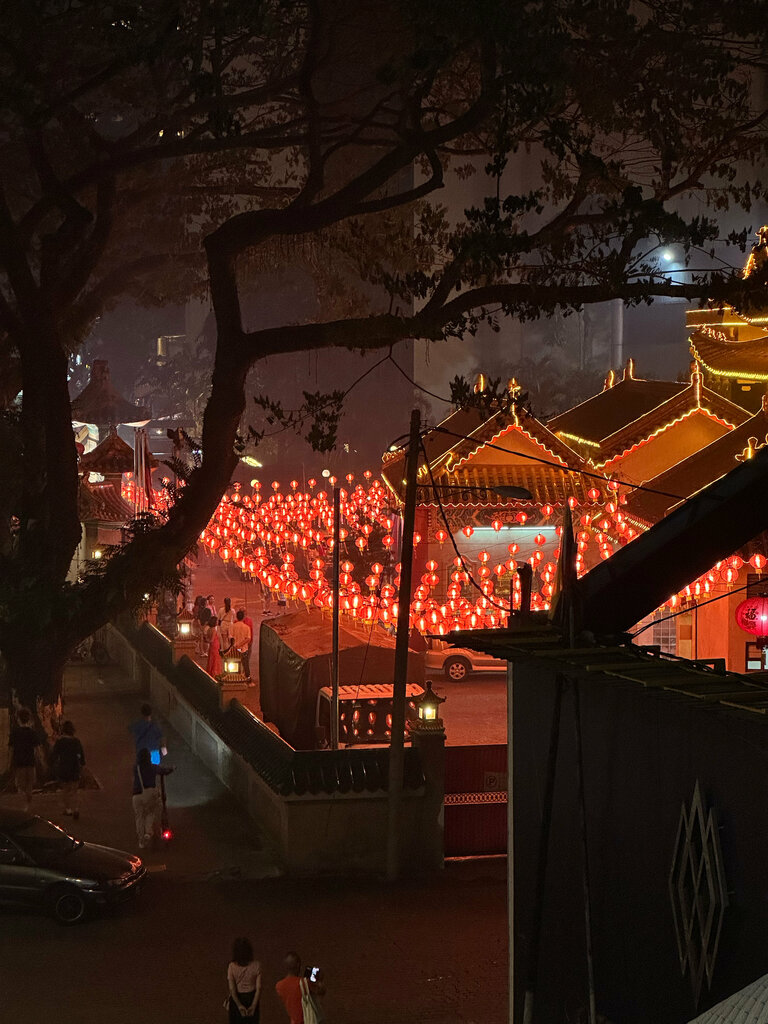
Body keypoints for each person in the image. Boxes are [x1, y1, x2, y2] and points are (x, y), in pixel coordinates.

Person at [132, 747, 174, 848]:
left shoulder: (135, 768)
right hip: (149, 793)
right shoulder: (152, 767)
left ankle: (141, 841)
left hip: (136, 795)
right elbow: (163, 771)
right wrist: (172, 768)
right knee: (151, 811)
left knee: (139, 817)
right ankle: (148, 832)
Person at [276, 953, 325, 1024]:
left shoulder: (279, 986)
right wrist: (319, 980)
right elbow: (322, 991)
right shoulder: (304, 983)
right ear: (298, 965)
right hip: (308, 1020)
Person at [51, 720, 86, 820]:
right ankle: (76, 809)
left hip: (64, 767)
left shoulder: (60, 742)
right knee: (75, 790)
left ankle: (68, 809)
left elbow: (54, 755)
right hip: (74, 767)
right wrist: (82, 765)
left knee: (65, 790)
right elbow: (81, 755)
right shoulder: (76, 741)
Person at [9, 708, 39, 813]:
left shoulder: (14, 733)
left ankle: (23, 807)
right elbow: (36, 749)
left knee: (20, 785)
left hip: (19, 762)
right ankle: (28, 804)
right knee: (29, 784)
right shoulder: (32, 733)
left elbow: (11, 749)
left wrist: (11, 762)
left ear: (18, 719)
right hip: (30, 761)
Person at [226, 937, 262, 1021]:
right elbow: (259, 988)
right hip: (251, 997)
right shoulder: (257, 965)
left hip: (237, 999)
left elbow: (232, 989)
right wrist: (253, 1005)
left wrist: (239, 1005)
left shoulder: (232, 966)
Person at [232, 609, 252, 682]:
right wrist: (241, 645)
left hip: (235, 648)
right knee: (245, 663)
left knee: (235, 662)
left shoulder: (232, 626)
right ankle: (248, 678)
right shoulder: (246, 627)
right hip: (243, 648)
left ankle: (235, 677)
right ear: (243, 617)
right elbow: (248, 639)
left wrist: (236, 645)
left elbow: (230, 638)